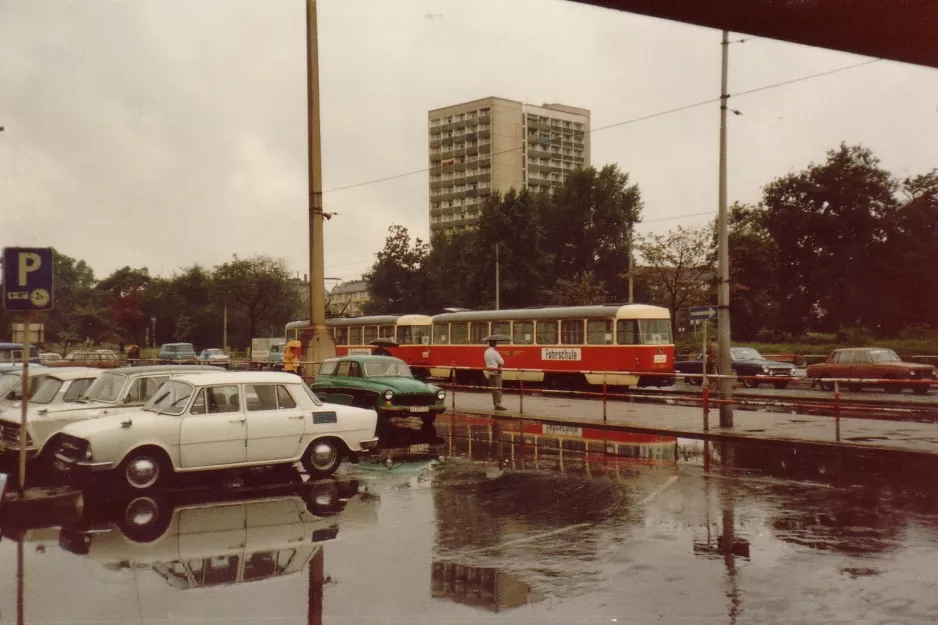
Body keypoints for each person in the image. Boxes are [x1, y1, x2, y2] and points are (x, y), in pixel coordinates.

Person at [484, 340, 506, 411]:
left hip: (490, 372)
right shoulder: (495, 352)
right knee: (498, 388)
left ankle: (495, 404)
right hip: (496, 372)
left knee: (493, 389)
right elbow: (502, 362)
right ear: (494, 344)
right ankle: (498, 404)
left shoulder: (486, 352)